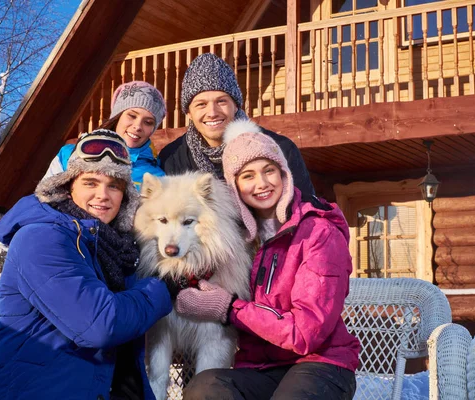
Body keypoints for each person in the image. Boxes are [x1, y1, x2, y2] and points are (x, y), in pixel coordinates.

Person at [0, 130, 172, 400]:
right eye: (90, 182)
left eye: (114, 185)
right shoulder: (41, 237)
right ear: (68, 186)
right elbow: (100, 325)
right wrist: (165, 288)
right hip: (39, 389)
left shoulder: (121, 248)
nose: (103, 195)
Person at [174, 120, 360, 400]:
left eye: (268, 171)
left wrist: (230, 308)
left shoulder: (318, 232)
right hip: (260, 368)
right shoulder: (237, 240)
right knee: (205, 388)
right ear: (235, 186)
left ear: (283, 173)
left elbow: (306, 333)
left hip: (321, 365)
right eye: (247, 176)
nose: (261, 184)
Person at [158, 52, 315, 198]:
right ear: (189, 113)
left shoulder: (279, 148)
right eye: (201, 104)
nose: (212, 112)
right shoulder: (172, 158)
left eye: (221, 101)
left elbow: (308, 208)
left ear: (236, 105)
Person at [44, 81, 167, 191]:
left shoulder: (156, 178)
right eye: (132, 116)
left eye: (148, 122)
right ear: (117, 117)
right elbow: (42, 203)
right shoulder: (70, 155)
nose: (138, 126)